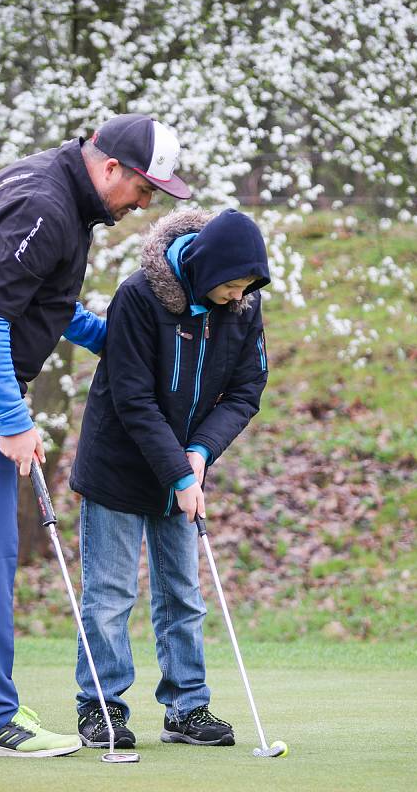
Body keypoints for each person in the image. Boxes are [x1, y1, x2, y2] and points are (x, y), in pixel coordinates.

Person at [0, 114, 192, 757]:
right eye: (146, 189)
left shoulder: (64, 201)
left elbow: (46, 307)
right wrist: (14, 420)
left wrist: (115, 343)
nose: (147, 203)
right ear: (112, 168)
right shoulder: (46, 205)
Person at [69, 207, 270, 749]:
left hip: (183, 468)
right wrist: (181, 472)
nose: (238, 296)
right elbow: (133, 399)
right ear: (205, 270)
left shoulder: (243, 306)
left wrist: (201, 452)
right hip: (117, 464)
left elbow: (248, 390)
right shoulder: (139, 296)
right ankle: (102, 708)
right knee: (109, 596)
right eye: (231, 285)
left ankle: (187, 709)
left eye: (247, 287)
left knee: (183, 595)